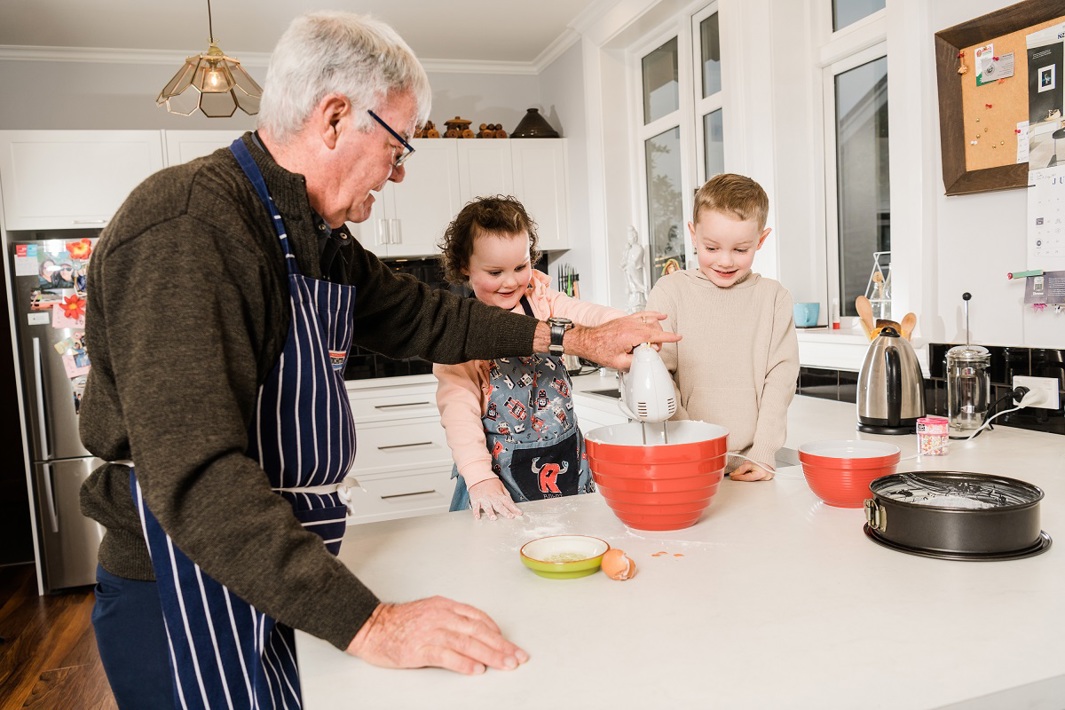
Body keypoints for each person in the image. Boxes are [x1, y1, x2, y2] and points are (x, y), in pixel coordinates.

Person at [78, 11, 679, 709]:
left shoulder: (315, 236)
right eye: (397, 148)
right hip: (181, 585)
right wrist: (371, 622)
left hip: (278, 566)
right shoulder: (191, 227)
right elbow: (197, 475)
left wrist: (572, 340)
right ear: (334, 119)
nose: (396, 174)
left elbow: (428, 316)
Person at [434, 196, 627, 520]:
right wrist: (480, 478)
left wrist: (623, 325)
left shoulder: (543, 302)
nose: (511, 281)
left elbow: (587, 313)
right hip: (498, 476)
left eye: (520, 267)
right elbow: (458, 414)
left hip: (564, 460)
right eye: (495, 271)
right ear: (465, 266)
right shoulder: (459, 333)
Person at [645, 173, 798, 481]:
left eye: (741, 249)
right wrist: (692, 444)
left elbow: (780, 379)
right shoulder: (669, 292)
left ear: (761, 240)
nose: (725, 261)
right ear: (693, 234)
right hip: (683, 461)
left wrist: (765, 451)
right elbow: (657, 374)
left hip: (749, 463)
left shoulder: (774, 298)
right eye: (712, 248)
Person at [621, 226, 648, 313]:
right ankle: (634, 296)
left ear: (634, 237)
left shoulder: (639, 248)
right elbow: (624, 261)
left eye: (630, 237)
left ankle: (640, 289)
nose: (629, 239)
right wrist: (626, 251)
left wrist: (628, 265)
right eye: (628, 237)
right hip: (630, 272)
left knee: (630, 270)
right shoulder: (629, 249)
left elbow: (635, 262)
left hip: (635, 270)